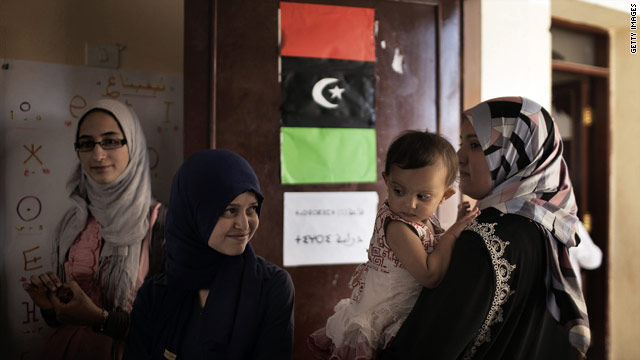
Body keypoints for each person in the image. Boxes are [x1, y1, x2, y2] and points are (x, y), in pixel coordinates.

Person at [380, 96, 591, 359]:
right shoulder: (548, 227)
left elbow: (428, 346)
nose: (459, 157)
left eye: (475, 145)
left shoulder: (484, 237)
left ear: (515, 152)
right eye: (460, 143)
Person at [308, 131, 480, 359]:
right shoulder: (398, 227)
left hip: (403, 315)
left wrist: (455, 225)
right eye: (399, 191)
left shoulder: (423, 220)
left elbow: (434, 248)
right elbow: (430, 275)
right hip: (379, 324)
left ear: (444, 196)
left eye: (423, 196)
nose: (409, 204)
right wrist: (454, 233)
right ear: (386, 180)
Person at [22, 99, 166, 359]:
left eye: (110, 141)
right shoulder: (71, 223)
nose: (98, 155)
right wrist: (51, 307)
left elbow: (170, 326)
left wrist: (99, 318)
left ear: (133, 144)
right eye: (87, 144)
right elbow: (61, 319)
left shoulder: (160, 225)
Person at [123, 149, 295, 360]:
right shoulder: (155, 295)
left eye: (252, 209)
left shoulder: (271, 288)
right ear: (193, 213)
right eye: (230, 210)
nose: (244, 224)